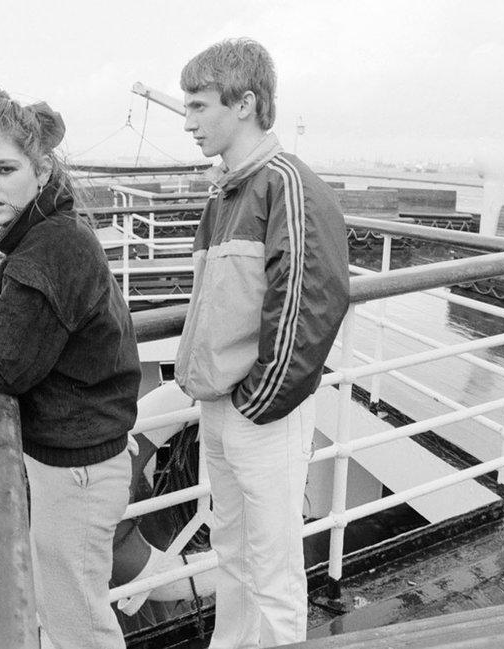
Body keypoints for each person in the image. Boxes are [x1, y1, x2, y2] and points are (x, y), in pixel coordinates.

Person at [0, 85, 141, 649]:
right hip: (81, 456)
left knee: (77, 622)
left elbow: (8, 364)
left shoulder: (45, 252)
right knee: (67, 609)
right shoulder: (48, 236)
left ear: (39, 171)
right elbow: (10, 320)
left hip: (76, 469)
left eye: (3, 168)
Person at [174, 39, 350, 647]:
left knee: (272, 568)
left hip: (261, 411)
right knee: (231, 551)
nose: (188, 121)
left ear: (245, 102)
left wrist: (256, 401)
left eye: (199, 106)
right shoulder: (225, 191)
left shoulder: (285, 186)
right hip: (222, 406)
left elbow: (312, 306)